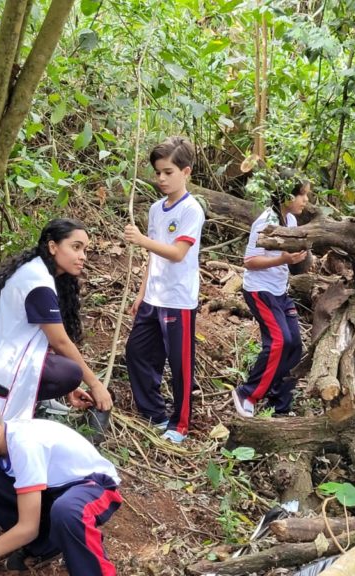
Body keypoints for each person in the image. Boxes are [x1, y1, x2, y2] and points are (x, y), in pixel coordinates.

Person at [0, 388, 123, 576]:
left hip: (94, 486)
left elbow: (28, 528)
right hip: (55, 489)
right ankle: (47, 547)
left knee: (68, 512)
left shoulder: (24, 446)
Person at [0, 218, 113, 422]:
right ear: (53, 247)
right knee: (70, 373)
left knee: (64, 372)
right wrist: (95, 385)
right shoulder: (38, 283)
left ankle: (32, 396)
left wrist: (70, 389)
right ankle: (21, 398)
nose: (82, 256)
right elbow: (60, 342)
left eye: (85, 250)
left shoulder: (33, 269)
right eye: (76, 247)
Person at [122, 136, 205, 444]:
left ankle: (180, 424)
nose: (161, 178)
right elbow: (154, 255)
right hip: (154, 296)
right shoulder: (157, 209)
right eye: (158, 172)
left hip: (178, 299)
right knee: (136, 352)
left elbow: (177, 252)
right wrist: (142, 292)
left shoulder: (191, 210)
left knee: (180, 363)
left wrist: (141, 239)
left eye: (168, 172)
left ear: (186, 172)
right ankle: (154, 412)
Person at [232, 175, 310, 418]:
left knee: (295, 345)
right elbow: (250, 261)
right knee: (279, 341)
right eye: (302, 194)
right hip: (259, 289)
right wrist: (282, 259)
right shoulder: (266, 220)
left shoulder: (291, 220)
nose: (306, 200)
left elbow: (296, 254)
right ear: (288, 196)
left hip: (279, 290)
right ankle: (247, 393)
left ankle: (280, 402)